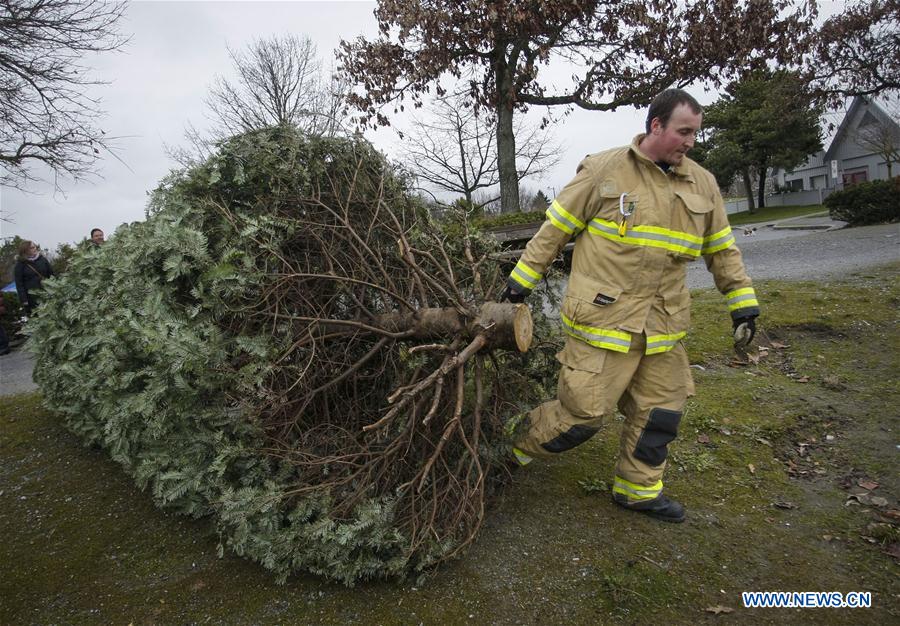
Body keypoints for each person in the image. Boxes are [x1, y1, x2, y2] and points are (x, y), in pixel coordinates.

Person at [500, 89, 759, 523]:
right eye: (683, 131)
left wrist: (742, 303)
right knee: (581, 417)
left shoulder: (703, 184)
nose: (691, 141)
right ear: (655, 125)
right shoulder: (605, 170)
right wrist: (518, 286)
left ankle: (637, 490)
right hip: (603, 323)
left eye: (696, 132)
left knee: (661, 411)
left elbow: (723, 250)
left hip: (662, 327)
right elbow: (554, 231)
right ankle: (506, 447)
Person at [13, 240, 55, 316]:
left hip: (48, 293)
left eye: (35, 246)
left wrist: (55, 289)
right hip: (32, 298)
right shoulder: (20, 265)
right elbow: (19, 285)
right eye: (32, 248)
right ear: (25, 250)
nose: (35, 248)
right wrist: (24, 301)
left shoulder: (42, 259)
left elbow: (52, 275)